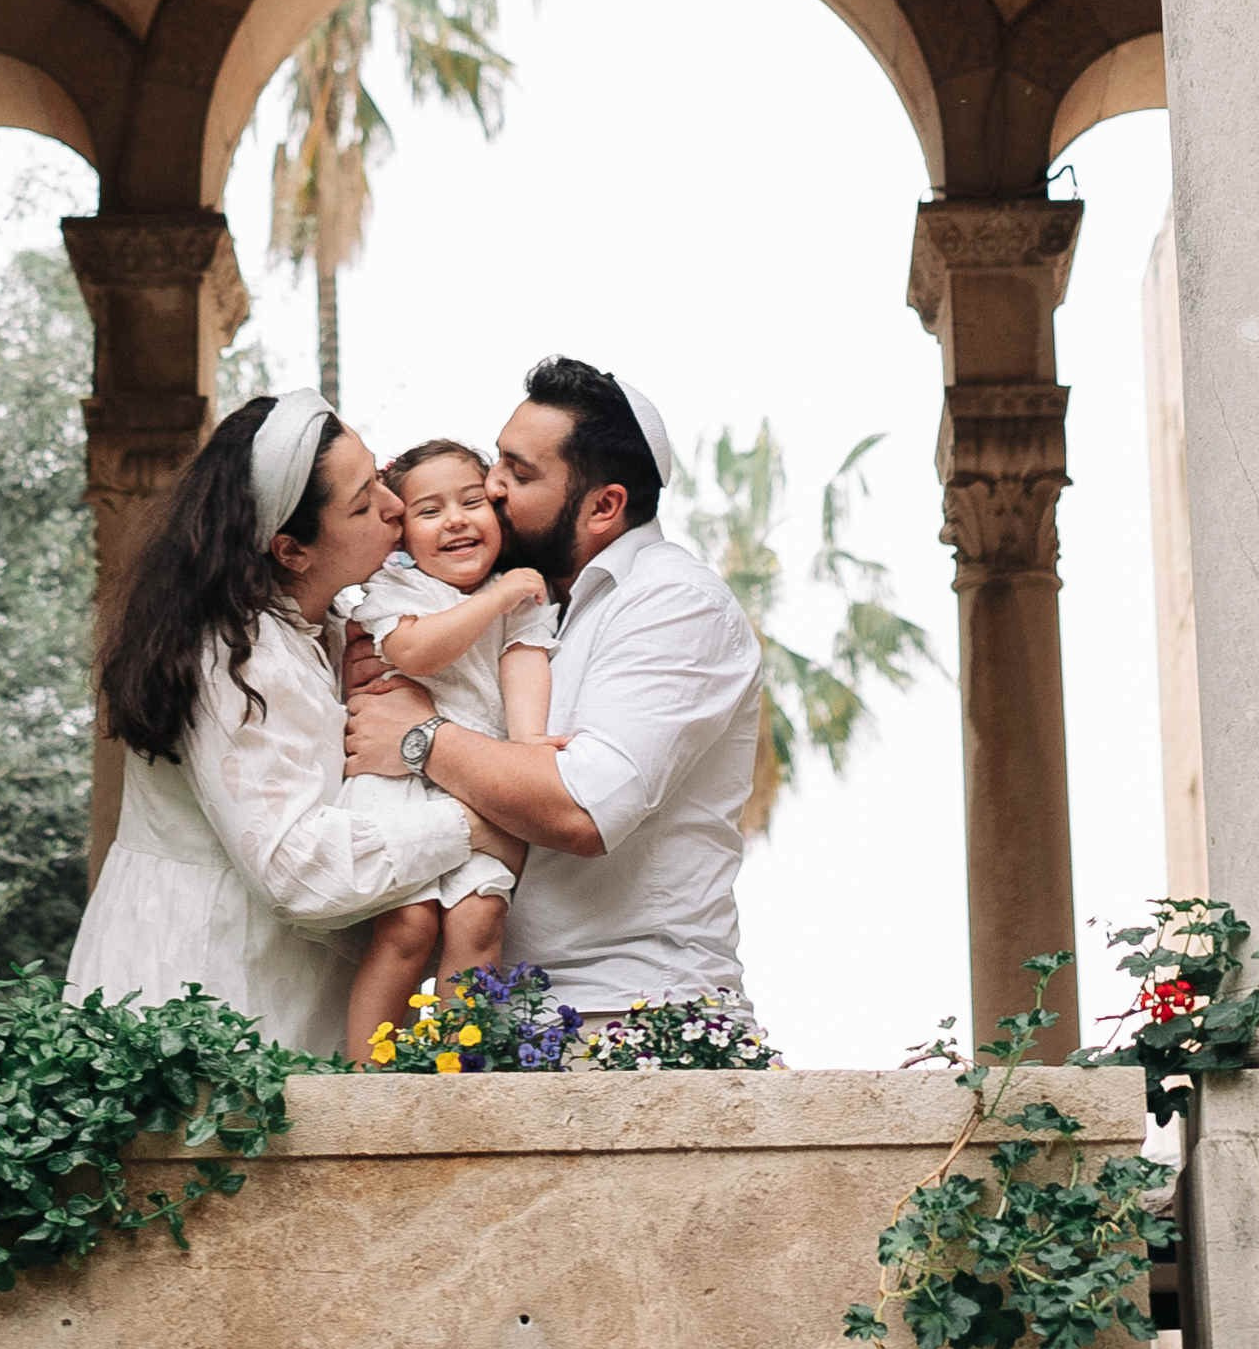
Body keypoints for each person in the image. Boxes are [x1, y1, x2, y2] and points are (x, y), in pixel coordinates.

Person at [67, 386, 519, 1054]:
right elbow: (296, 868)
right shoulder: (228, 657)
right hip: (200, 988)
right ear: (291, 551)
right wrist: (477, 826)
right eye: (365, 502)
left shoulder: (334, 627)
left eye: (378, 479)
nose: (396, 508)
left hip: (289, 986)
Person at [340, 355, 762, 1016]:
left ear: (603, 507)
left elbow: (580, 810)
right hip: (512, 1017)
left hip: (625, 1014)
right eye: (496, 464)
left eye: (517, 472)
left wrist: (416, 736)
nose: (492, 488)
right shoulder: (514, 597)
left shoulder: (673, 603)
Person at [336, 437, 559, 1059]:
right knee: (408, 927)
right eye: (430, 511)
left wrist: (529, 744)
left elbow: (525, 661)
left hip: (476, 785)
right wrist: (494, 597)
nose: (456, 520)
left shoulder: (520, 596)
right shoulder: (397, 592)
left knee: (480, 918)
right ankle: (365, 1079)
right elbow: (413, 652)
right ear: (402, 534)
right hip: (396, 783)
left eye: (470, 502)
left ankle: (459, 1068)